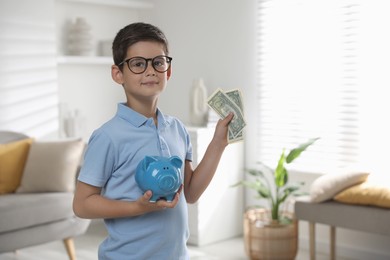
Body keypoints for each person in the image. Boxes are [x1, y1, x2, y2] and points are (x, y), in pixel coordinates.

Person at [72, 22, 234, 260]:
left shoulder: (177, 129)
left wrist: (218, 143)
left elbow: (190, 193)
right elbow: (82, 205)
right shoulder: (108, 137)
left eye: (158, 63)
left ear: (168, 71)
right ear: (118, 74)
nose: (150, 71)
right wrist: (136, 208)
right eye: (138, 64)